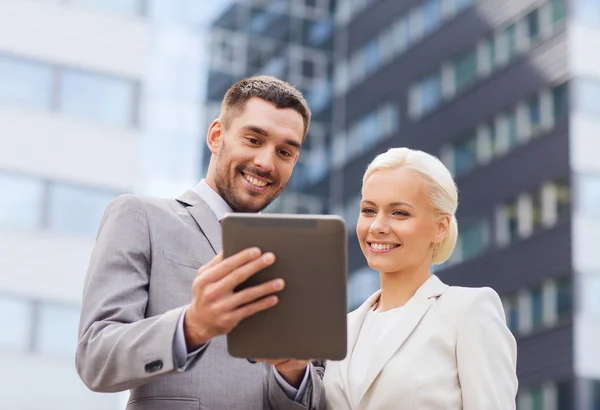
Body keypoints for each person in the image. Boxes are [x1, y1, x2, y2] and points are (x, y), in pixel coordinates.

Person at [76, 76, 325, 410]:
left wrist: (294, 373)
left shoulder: (304, 261)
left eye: (284, 152)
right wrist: (191, 326)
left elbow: (319, 400)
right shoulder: (141, 217)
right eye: (253, 139)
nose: (266, 163)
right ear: (217, 136)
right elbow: (96, 358)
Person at [323, 147, 518, 410]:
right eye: (369, 210)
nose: (377, 226)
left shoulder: (468, 311)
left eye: (399, 213)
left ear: (441, 227)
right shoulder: (341, 329)